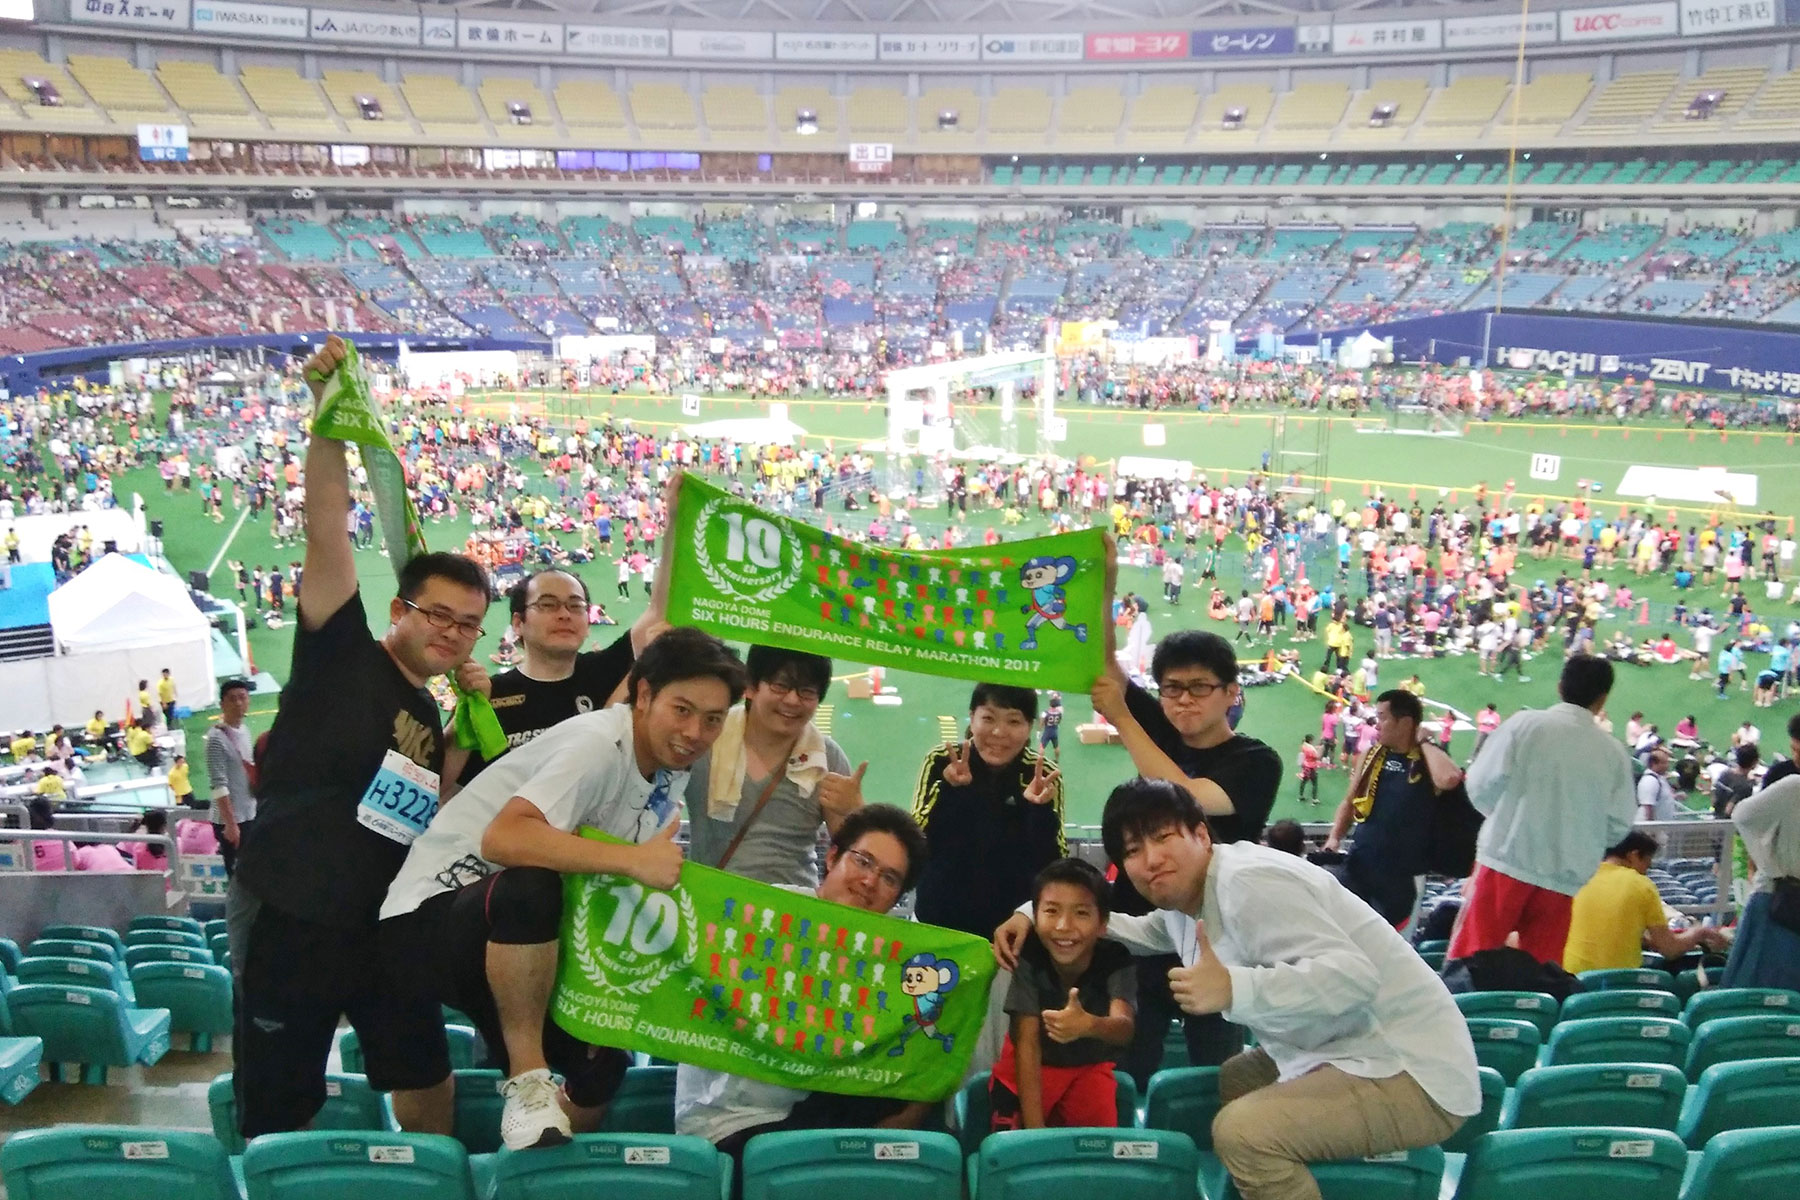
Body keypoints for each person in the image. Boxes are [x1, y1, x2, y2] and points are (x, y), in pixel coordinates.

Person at [229, 333, 494, 1141]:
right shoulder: (339, 651)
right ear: (398, 610)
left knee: (425, 1075)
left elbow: (429, 804)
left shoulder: (426, 710)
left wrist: (461, 731)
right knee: (281, 1095)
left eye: (469, 624)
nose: (452, 632)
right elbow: (327, 532)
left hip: (385, 923)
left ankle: (430, 1186)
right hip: (293, 908)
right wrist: (329, 419)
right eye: (438, 614)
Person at [994, 778, 1478, 1200]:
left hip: (1412, 1068)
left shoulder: (1249, 883)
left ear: (1201, 834)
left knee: (1242, 1134)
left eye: (1162, 837)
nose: (1151, 859)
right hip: (1343, 1045)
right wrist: (1032, 913)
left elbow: (1354, 977)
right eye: (1133, 850)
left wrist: (1233, 987)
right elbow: (1130, 930)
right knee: (1238, 1078)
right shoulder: (1188, 902)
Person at [377, 627, 745, 1150]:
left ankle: (529, 1160)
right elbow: (505, 839)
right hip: (428, 920)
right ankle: (529, 1082)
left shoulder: (670, 766)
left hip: (515, 941)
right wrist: (635, 861)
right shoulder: (597, 745)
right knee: (531, 885)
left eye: (713, 719)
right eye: (682, 710)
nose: (695, 732)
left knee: (601, 1068)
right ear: (644, 695)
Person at [675, 805, 934, 1177]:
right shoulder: (765, 913)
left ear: (897, 899)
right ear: (832, 857)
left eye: (889, 878)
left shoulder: (885, 954)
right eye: (862, 861)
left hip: (812, 1109)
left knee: (920, 1081)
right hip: (730, 1122)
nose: (870, 881)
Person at [444, 497, 677, 792]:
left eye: (575, 605)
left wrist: (674, 521)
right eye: (548, 604)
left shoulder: (603, 671)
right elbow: (448, 791)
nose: (565, 614)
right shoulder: (489, 695)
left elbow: (658, 610)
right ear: (518, 623)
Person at [1448, 657, 1637, 964]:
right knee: (1540, 974)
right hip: (1562, 877)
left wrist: (1506, 818)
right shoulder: (1613, 753)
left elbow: (1479, 785)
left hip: (1506, 860)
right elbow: (1617, 825)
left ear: (1560, 686)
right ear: (1603, 698)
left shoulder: (1524, 725)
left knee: (1470, 963)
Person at [685, 645, 866, 888]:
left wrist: (854, 811)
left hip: (791, 905)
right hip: (708, 898)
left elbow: (853, 854)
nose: (792, 700)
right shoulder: (707, 738)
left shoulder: (827, 759)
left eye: (806, 692)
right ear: (751, 686)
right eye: (780, 686)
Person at [990, 858, 1135, 1131]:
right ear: (1034, 918)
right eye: (1052, 911)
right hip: (1028, 1069)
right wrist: (1035, 1131)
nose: (1064, 925)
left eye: (1081, 913)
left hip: (1088, 1069)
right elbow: (1027, 1043)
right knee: (1014, 1147)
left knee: (1094, 1146)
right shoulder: (1030, 954)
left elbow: (1124, 1028)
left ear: (1103, 923)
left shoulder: (1116, 958)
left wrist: (1090, 1025)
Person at [911, 683, 1064, 938]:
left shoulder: (1042, 775)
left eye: (1013, 721)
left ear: (1030, 726)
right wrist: (951, 791)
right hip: (936, 922)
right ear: (972, 718)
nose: (999, 732)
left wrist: (1039, 811)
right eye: (988, 718)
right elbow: (917, 841)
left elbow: (1054, 864)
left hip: (1011, 932)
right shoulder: (941, 761)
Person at [1324, 690, 1465, 928]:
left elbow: (1449, 779)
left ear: (1406, 723)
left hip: (1401, 879)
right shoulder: (1372, 755)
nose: (1376, 725)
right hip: (1360, 864)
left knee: (1381, 940)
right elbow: (1350, 801)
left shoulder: (1427, 760)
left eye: (1382, 718)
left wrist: (1424, 742)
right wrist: (1334, 838)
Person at [1562, 831, 1726, 973]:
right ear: (1633, 855)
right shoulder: (1641, 885)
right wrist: (1699, 933)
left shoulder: (1578, 878)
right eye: (1646, 864)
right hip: (1618, 980)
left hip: (1571, 976)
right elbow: (1670, 949)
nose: (1646, 871)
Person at [1720, 775, 1800, 991]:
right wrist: (1771, 865)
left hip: (1780, 895)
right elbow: (1742, 815)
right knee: (1758, 993)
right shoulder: (1794, 787)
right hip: (1779, 902)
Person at [204, 678, 256, 877]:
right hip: (231, 820)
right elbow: (218, 785)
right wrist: (230, 824)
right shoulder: (216, 739)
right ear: (222, 704)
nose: (239, 703)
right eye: (232, 699)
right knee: (239, 876)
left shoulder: (244, 730)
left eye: (242, 697)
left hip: (248, 813)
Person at [1712, 745, 1758, 820]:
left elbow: (1714, 796)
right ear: (1754, 762)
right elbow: (1729, 810)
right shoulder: (1745, 786)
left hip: (1715, 814)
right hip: (1727, 823)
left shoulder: (1725, 773)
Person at [1636, 747, 1678, 823]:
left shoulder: (1660, 779)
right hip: (1652, 826)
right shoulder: (1650, 780)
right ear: (1654, 764)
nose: (1667, 766)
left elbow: (1661, 798)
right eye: (1664, 763)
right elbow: (1648, 807)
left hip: (1663, 825)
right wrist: (1652, 827)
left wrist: (1676, 796)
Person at [1040, 691, 1063, 763]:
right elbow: (1059, 721)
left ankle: (1040, 760)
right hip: (1055, 730)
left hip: (1047, 730)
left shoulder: (1045, 712)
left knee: (1042, 746)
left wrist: (1039, 729)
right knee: (1056, 746)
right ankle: (1057, 760)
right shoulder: (1059, 713)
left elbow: (1042, 721)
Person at [1296, 735, 1320, 805]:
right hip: (1311, 767)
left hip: (1305, 767)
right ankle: (1314, 799)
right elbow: (1316, 756)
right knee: (1314, 783)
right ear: (1310, 740)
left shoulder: (1303, 746)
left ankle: (1301, 796)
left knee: (1303, 781)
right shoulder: (1311, 749)